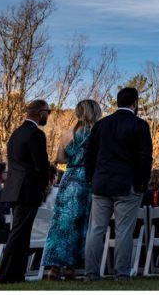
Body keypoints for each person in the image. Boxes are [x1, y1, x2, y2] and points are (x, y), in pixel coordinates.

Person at [83, 87, 153, 281]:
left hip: (101, 183)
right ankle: (121, 273)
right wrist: (141, 183)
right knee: (123, 231)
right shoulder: (139, 126)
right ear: (135, 102)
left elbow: (89, 155)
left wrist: (91, 178)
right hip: (127, 184)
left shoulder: (101, 125)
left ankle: (91, 273)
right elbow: (145, 158)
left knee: (96, 230)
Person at [43, 100, 101, 280]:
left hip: (69, 178)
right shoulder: (96, 133)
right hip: (88, 178)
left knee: (62, 223)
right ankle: (71, 267)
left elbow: (59, 158)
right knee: (82, 223)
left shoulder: (69, 133)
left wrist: (73, 156)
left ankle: (54, 267)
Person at [0, 99, 50, 283]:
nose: (48, 115)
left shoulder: (17, 133)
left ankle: (15, 273)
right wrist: (45, 184)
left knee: (20, 231)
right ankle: (7, 274)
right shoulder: (35, 134)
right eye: (47, 112)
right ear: (39, 112)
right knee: (20, 232)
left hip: (14, 188)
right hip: (28, 189)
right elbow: (41, 165)